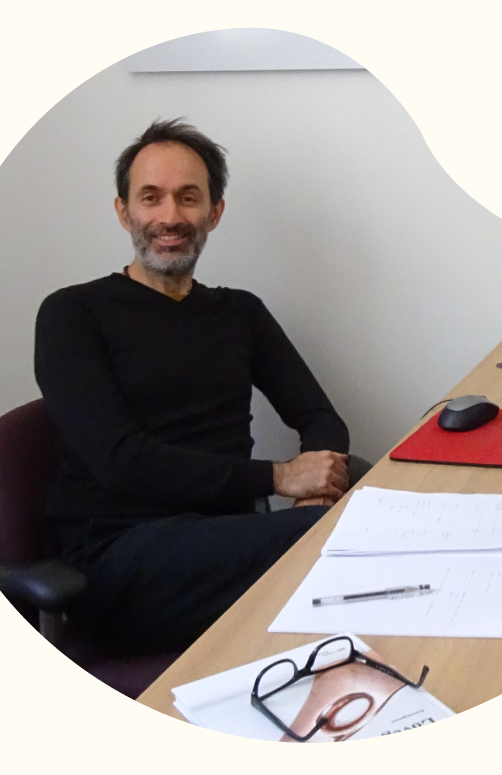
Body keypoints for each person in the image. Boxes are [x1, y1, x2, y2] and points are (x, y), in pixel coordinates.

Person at [34, 119, 351, 656]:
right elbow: (121, 461)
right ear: (124, 212)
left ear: (214, 212)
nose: (170, 217)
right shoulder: (73, 314)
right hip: (122, 556)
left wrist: (317, 486)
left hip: (229, 536)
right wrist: (279, 477)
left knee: (351, 505)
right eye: (151, 197)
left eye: (188, 197)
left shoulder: (239, 313)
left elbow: (319, 417)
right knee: (339, 540)